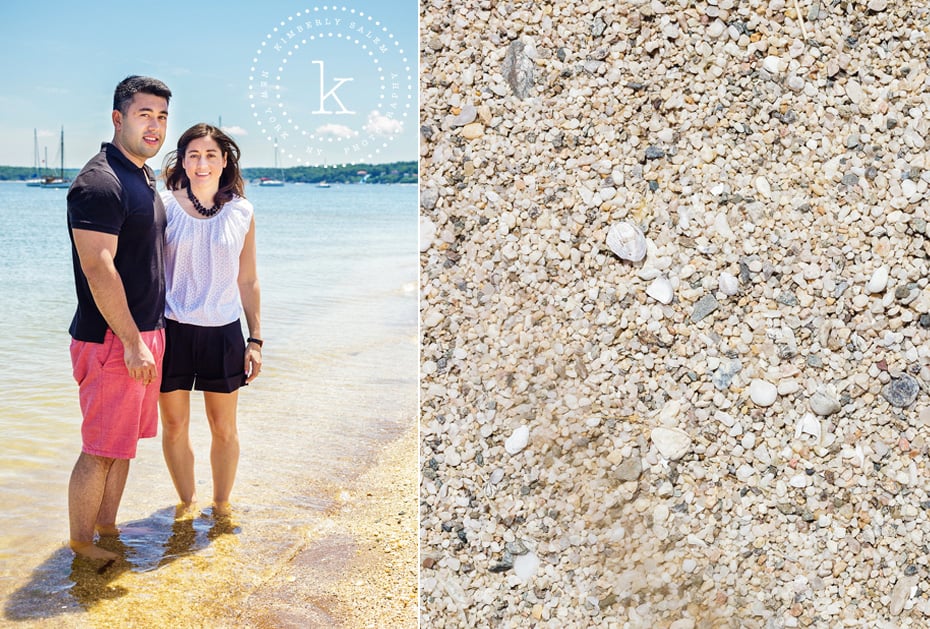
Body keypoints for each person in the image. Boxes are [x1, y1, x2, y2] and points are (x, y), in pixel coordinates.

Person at [67, 75, 172, 561]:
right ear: (118, 118)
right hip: (113, 339)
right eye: (144, 114)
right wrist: (131, 342)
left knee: (122, 444)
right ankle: (81, 545)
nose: (154, 126)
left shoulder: (142, 176)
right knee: (100, 448)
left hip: (144, 334)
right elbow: (97, 266)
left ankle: (107, 530)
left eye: (162, 116)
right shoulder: (99, 182)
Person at [158, 123, 262, 519]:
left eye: (210, 156)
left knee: (224, 429)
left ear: (224, 161)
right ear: (182, 161)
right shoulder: (162, 205)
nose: (202, 164)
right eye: (193, 155)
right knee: (174, 427)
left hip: (223, 332)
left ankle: (221, 506)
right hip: (172, 330)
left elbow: (248, 280)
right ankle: (186, 506)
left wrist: (256, 340)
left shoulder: (242, 212)